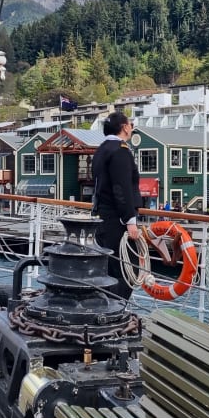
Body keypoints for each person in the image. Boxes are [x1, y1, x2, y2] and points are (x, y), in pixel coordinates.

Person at [92, 111, 140, 299]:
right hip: (117, 222)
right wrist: (130, 220)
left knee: (109, 271)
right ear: (124, 127)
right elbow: (122, 188)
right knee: (127, 271)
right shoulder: (120, 151)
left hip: (102, 218)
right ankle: (116, 314)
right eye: (130, 124)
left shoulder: (101, 149)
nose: (132, 127)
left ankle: (108, 311)